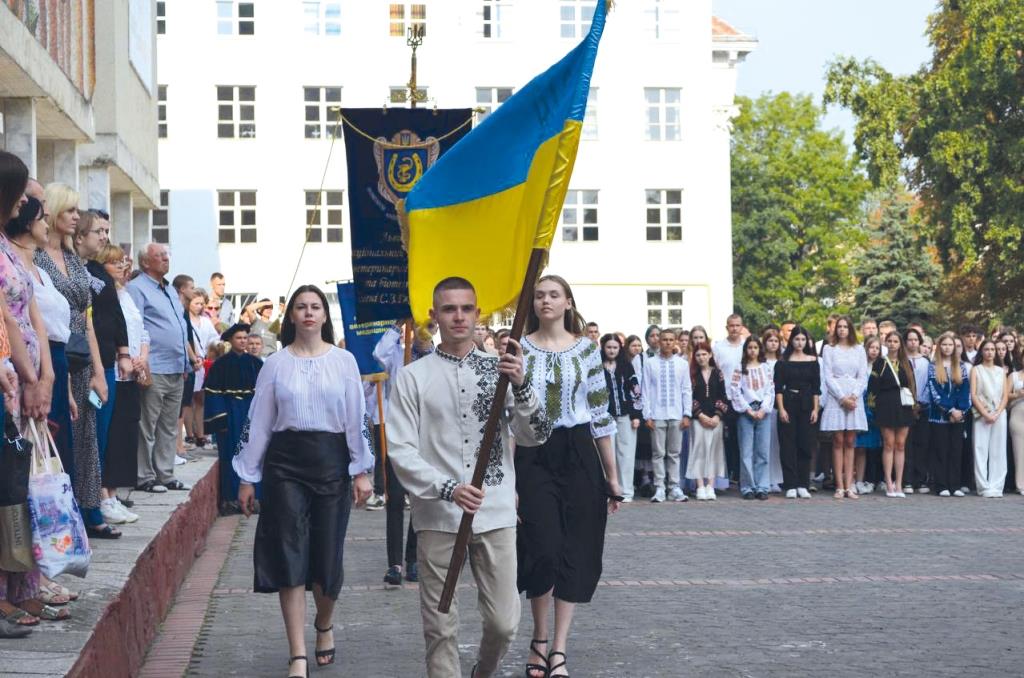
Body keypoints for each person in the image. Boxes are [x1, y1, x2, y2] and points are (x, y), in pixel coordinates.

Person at [386, 277, 548, 678]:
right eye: (449, 309)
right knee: (440, 626)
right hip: (438, 516)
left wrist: (522, 386)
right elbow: (401, 450)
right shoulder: (413, 377)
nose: (458, 316)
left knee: (504, 623)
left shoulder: (502, 369)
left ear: (478, 314)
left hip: (494, 512)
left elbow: (536, 434)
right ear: (434, 316)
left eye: (466, 308)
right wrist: (447, 488)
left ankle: (483, 671)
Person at [233, 285, 374, 678]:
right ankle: (297, 653)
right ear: (290, 316)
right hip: (285, 466)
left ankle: (324, 624)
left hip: (331, 462)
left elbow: (356, 418)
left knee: (327, 560)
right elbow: (258, 421)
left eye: (315, 307)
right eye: (301, 307)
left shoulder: (344, 361)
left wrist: (361, 470)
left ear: (325, 316)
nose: (309, 313)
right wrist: (247, 477)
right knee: (289, 554)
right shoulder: (274, 364)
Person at [517, 275, 621, 678]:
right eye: (540, 295)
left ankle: (558, 647)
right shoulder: (520, 349)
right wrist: (509, 482)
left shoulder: (588, 351)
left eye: (553, 295)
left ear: (567, 302)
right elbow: (510, 419)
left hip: (579, 453)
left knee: (576, 548)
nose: (546, 301)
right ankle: (538, 637)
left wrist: (612, 476)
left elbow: (601, 414)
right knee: (542, 546)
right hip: (534, 452)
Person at [36, 190, 122, 538]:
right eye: (70, 210)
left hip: (82, 354)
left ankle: (89, 510)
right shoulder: (38, 257)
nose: (76, 217)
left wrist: (100, 370)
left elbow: (87, 318)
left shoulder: (72, 259)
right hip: (53, 351)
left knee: (88, 436)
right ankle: (65, 515)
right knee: (63, 439)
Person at [127, 243, 194, 493]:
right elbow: (136, 327)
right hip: (153, 366)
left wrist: (186, 362)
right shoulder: (137, 288)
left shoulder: (169, 291)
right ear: (145, 262)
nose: (166, 259)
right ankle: (145, 476)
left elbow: (180, 328)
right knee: (148, 424)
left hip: (176, 368)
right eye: (160, 256)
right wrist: (140, 363)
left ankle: (166, 474)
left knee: (168, 425)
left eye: (167, 255)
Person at [372, 322, 434, 586]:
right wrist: (398, 326)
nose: (424, 331)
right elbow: (378, 353)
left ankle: (412, 560)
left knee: (420, 499)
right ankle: (394, 563)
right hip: (397, 434)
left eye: (429, 327)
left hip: (425, 435)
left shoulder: (434, 357)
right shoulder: (397, 353)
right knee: (395, 499)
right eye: (421, 326)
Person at [204, 323, 262, 514]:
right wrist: (220, 419)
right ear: (230, 340)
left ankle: (256, 498)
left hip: (251, 411)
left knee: (254, 453)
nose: (243, 341)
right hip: (230, 413)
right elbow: (212, 393)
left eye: (245, 338)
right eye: (239, 338)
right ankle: (230, 499)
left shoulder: (256, 364)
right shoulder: (220, 365)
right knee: (230, 455)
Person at [641, 327, 692, 503]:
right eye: (664, 340)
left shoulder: (682, 364)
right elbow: (645, 390)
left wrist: (687, 414)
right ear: (659, 341)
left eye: (671, 340)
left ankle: (674, 487)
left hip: (677, 413)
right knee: (658, 453)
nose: (668, 343)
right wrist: (647, 415)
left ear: (675, 341)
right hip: (657, 414)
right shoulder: (649, 363)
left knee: (674, 453)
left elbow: (686, 390)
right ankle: (660, 487)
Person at [819, 316, 868, 499]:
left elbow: (863, 376)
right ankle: (839, 485)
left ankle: (850, 485)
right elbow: (828, 376)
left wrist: (854, 395)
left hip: (855, 397)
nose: (841, 330)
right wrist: (842, 397)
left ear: (850, 329)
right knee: (838, 440)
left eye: (845, 327)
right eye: (839, 327)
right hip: (836, 397)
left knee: (850, 441)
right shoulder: (829, 349)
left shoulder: (859, 349)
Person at [774, 326, 819, 498]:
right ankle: (790, 484)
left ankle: (803, 484)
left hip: (807, 405)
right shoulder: (783, 361)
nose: (800, 343)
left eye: (803, 339)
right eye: (797, 339)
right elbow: (778, 388)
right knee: (788, 444)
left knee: (805, 444)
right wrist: (781, 409)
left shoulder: (813, 361)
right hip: (788, 403)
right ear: (791, 340)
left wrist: (815, 409)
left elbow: (816, 388)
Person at [869, 332, 917, 498]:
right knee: (889, 444)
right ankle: (888, 481)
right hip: (885, 405)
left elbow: (912, 385)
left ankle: (899, 482)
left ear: (900, 344)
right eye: (889, 341)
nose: (892, 344)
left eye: (895, 341)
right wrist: (873, 407)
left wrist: (914, 405)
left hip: (903, 405)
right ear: (885, 343)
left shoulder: (906, 363)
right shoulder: (880, 363)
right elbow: (872, 386)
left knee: (901, 445)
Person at [728, 336, 775, 500]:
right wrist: (748, 409)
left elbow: (770, 390)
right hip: (746, 412)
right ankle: (748, 486)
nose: (753, 350)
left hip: (763, 411)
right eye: (750, 347)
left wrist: (763, 409)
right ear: (745, 350)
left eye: (755, 347)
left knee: (762, 451)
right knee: (746, 451)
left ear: (759, 349)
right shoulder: (739, 368)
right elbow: (735, 390)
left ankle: (762, 486)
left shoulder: (766, 367)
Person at [926, 332, 971, 497]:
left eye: (950, 345)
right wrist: (950, 410)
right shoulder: (933, 366)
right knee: (941, 450)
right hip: (939, 416)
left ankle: (955, 485)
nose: (947, 348)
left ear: (955, 347)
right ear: (939, 347)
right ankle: (942, 485)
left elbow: (965, 391)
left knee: (956, 450)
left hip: (958, 417)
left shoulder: (961, 366)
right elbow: (935, 392)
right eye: (944, 344)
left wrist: (960, 410)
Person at [601, 333, 641, 503]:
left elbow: (636, 391)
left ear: (620, 348)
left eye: (615, 347)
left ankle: (626, 491)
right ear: (603, 348)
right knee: (607, 455)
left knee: (626, 453)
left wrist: (636, 415)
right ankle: (609, 490)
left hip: (625, 415)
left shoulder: (626, 366)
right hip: (605, 417)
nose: (612, 350)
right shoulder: (597, 367)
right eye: (609, 347)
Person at [686, 342, 727, 500]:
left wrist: (717, 416)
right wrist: (700, 415)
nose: (701, 357)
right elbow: (689, 397)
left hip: (716, 419)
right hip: (698, 419)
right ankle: (700, 486)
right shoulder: (692, 375)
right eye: (698, 355)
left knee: (714, 451)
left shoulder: (718, 373)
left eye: (704, 354)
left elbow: (723, 396)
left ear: (710, 354)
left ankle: (711, 485)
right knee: (699, 451)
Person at [970, 339, 1008, 497]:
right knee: (980, 448)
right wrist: (986, 414)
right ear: (982, 351)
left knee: (998, 449)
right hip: (982, 414)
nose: (990, 352)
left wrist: (997, 412)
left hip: (999, 414)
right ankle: (983, 485)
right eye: (987, 349)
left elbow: (1005, 395)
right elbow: (973, 394)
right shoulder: (976, 370)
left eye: (993, 349)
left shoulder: (1001, 371)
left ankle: (996, 485)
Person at [713, 314, 746, 483]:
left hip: (743, 398)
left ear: (742, 327)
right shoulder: (718, 347)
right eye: (731, 325)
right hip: (724, 397)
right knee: (724, 438)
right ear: (727, 327)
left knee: (741, 436)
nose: (734, 328)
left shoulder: (747, 346)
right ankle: (726, 474)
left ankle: (740, 474)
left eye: (737, 325)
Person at [854, 337, 883, 494]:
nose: (874, 351)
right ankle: (852, 480)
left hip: (874, 409)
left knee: (867, 447)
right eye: (871, 347)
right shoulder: (860, 365)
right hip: (858, 405)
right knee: (855, 445)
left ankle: (865, 479)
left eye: (877, 348)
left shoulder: (881, 367)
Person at [905, 328, 932, 494]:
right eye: (910, 339)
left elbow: (929, 383)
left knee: (922, 444)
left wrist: (922, 403)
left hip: (924, 407)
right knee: (906, 445)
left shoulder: (926, 362)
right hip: (906, 406)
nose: (913, 342)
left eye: (916, 340)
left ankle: (920, 479)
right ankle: (907, 480)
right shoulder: (902, 360)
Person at [762, 328, 784, 492]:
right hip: (762, 406)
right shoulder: (761, 363)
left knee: (775, 443)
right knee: (763, 444)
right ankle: (764, 478)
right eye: (770, 341)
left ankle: (775, 478)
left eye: (776, 341)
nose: (773, 344)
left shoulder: (782, 362)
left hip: (777, 406)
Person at [1007, 358, 1024, 495]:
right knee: (1019, 452)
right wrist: (1018, 394)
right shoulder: (1014, 375)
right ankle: (1020, 485)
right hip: (1018, 415)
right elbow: (1005, 395)